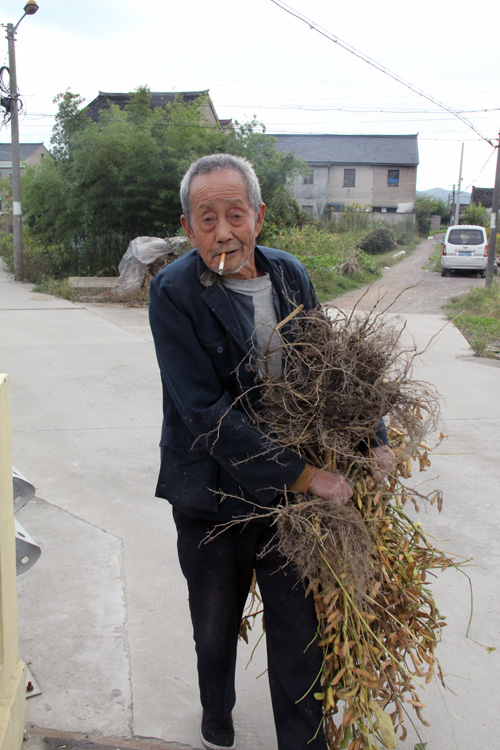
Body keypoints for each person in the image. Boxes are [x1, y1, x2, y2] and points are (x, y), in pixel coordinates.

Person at [149, 154, 394, 750]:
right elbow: (204, 411)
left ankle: (303, 743)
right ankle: (218, 712)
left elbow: (330, 373)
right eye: (207, 219)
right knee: (214, 627)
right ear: (188, 227)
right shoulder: (173, 291)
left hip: (287, 504)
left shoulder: (288, 274)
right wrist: (305, 474)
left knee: (299, 629)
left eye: (236, 214)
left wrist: (373, 438)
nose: (223, 232)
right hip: (211, 491)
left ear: (259, 216)